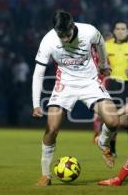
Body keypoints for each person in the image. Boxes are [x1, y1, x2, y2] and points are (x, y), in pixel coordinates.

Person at [32, 10, 119, 186]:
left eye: (66, 35)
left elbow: (101, 43)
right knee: (51, 129)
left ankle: (102, 142)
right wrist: (36, 103)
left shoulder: (89, 32)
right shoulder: (49, 40)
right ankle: (46, 175)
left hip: (90, 82)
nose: (63, 39)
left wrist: (103, 65)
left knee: (113, 121)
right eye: (60, 35)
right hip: (64, 85)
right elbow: (38, 74)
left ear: (72, 26)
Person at [93, 20, 128, 156]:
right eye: (117, 28)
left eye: (123, 29)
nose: (120, 31)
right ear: (114, 30)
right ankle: (112, 149)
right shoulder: (106, 45)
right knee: (111, 118)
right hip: (112, 84)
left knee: (121, 120)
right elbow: (100, 62)